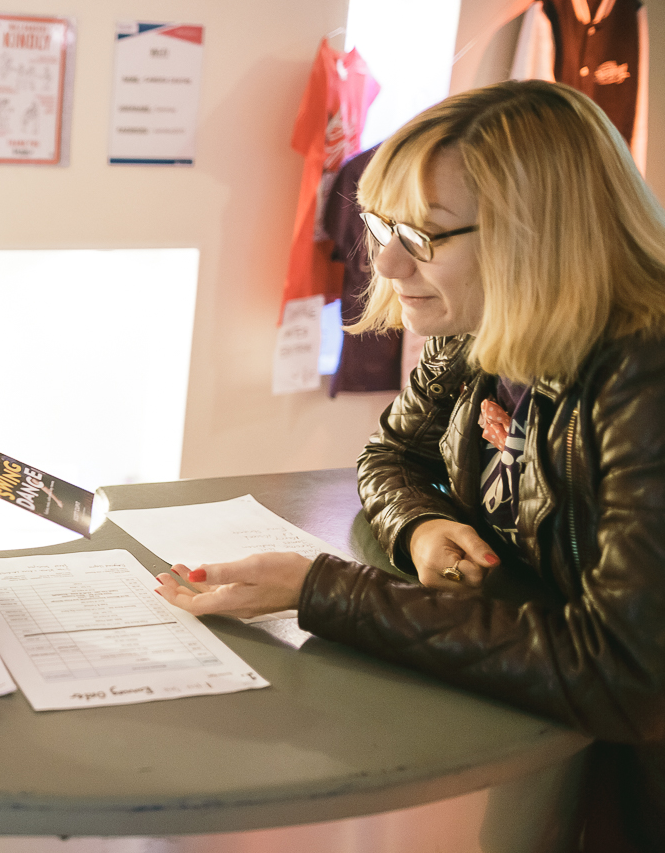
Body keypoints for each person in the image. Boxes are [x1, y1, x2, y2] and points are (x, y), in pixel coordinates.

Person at [156, 81, 665, 848]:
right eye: (382, 223)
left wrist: (321, 590)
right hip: (555, 753)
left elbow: (627, 675)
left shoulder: (643, 379)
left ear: (538, 235)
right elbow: (392, 454)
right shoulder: (482, 330)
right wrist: (422, 523)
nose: (387, 260)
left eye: (424, 235)